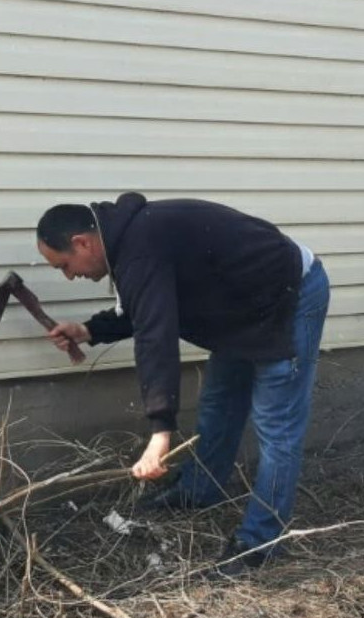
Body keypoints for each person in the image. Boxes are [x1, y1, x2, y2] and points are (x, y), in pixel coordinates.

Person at [36, 193, 330, 575]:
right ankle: (198, 492)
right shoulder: (130, 243)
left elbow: (155, 336)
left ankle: (261, 540)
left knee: (277, 426)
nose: (69, 276)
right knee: (218, 404)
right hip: (241, 308)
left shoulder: (140, 245)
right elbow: (145, 307)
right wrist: (90, 330)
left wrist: (161, 431)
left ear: (82, 242)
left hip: (289, 294)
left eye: (65, 265)